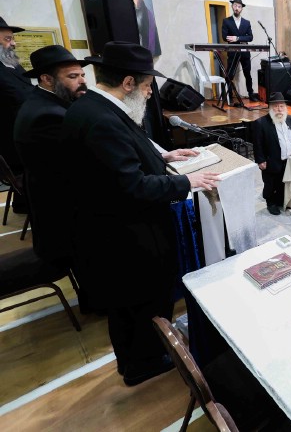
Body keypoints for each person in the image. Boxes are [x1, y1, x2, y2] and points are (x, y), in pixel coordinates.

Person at [61, 41, 219, 386]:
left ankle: (136, 358)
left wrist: (162, 157)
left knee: (129, 308)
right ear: (128, 83)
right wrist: (187, 182)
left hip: (113, 232)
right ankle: (144, 364)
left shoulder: (94, 108)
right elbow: (131, 186)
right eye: (148, 85)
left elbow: (115, 162)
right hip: (127, 238)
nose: (150, 93)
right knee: (142, 303)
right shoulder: (102, 120)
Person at [13, 46, 88, 273]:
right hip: (63, 216)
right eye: (73, 77)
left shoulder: (46, 102)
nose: (82, 82)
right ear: (47, 79)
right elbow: (83, 164)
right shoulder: (48, 115)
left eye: (82, 75)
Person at [252, 93, 291, 215]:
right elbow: (257, 144)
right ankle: (270, 203)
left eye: (281, 106)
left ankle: (280, 201)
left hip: (289, 160)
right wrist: (260, 160)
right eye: (276, 106)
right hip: (271, 160)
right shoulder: (261, 123)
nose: (279, 109)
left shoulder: (290, 119)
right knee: (270, 184)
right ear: (270, 107)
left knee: (283, 183)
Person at [0, 16, 33, 175]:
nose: (13, 43)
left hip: (28, 139)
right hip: (10, 149)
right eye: (8, 39)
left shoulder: (14, 65)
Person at [221, 0, 257, 101]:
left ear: (242, 8)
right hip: (232, 52)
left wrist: (237, 38)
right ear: (232, 6)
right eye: (235, 6)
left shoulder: (246, 22)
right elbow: (225, 37)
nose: (237, 8)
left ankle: (251, 94)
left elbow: (250, 37)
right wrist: (242, 39)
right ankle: (229, 96)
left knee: (247, 74)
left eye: (239, 6)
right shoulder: (226, 21)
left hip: (245, 52)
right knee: (230, 74)